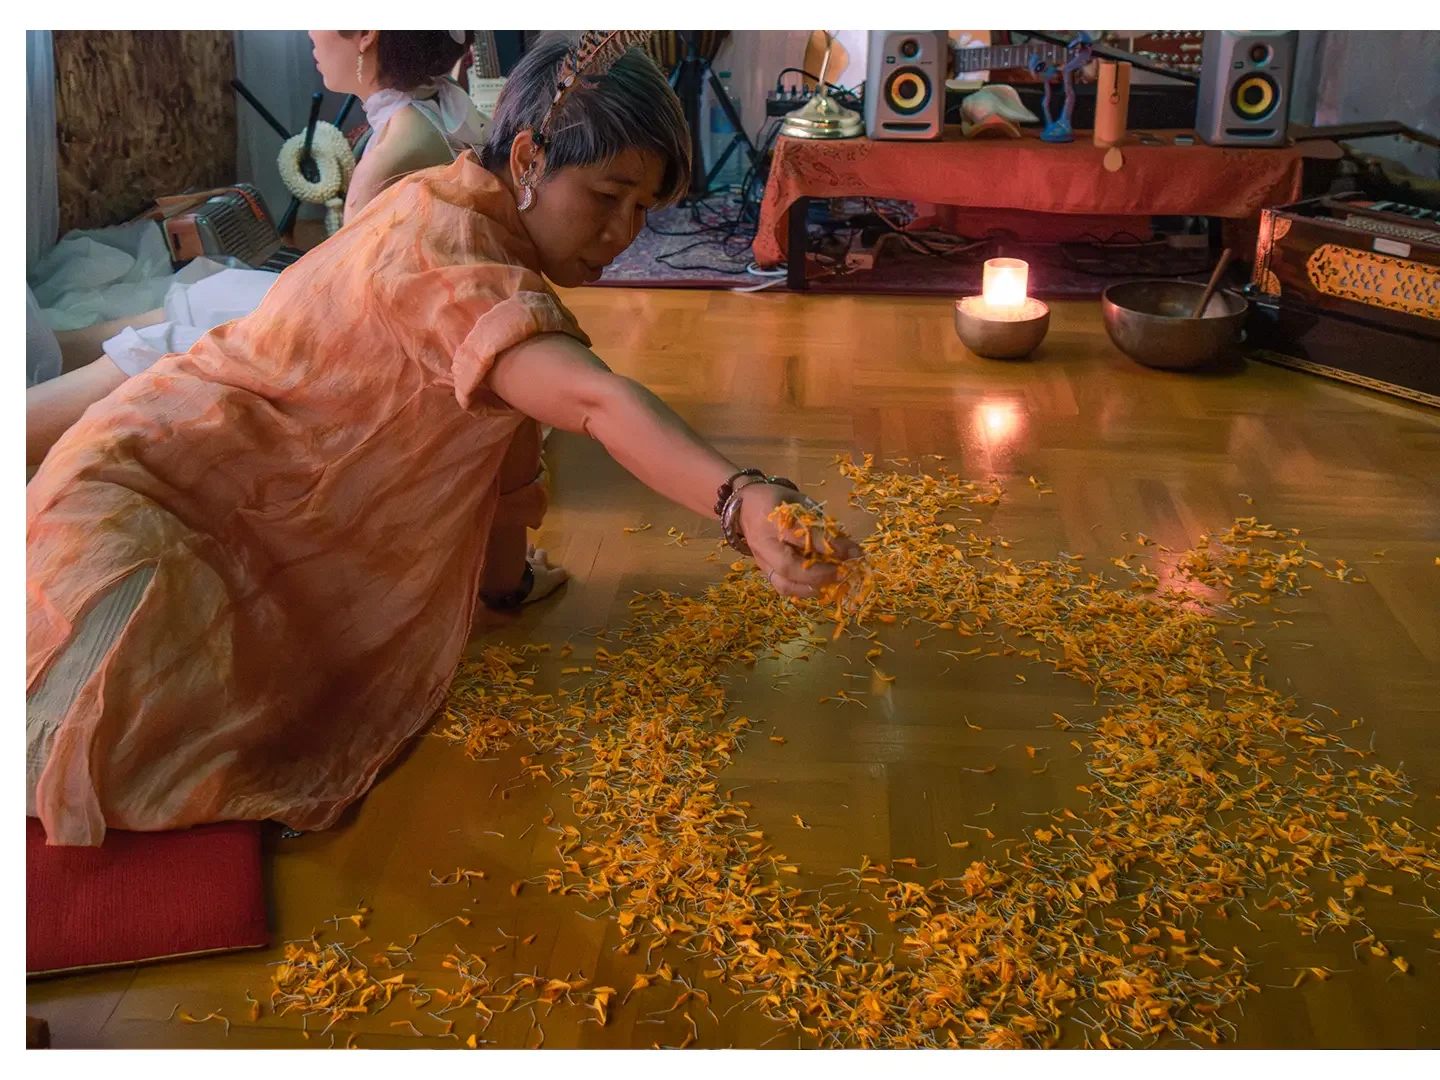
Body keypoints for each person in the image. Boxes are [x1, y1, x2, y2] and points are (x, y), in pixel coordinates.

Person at [26, 35, 859, 847]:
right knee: (101, 740)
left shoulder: (474, 225)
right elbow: (594, 402)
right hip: (138, 497)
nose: (623, 233)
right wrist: (740, 498)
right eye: (608, 197)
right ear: (528, 160)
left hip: (221, 500)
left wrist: (502, 592)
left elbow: (501, 446)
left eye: (643, 210)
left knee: (216, 695)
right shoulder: (453, 253)